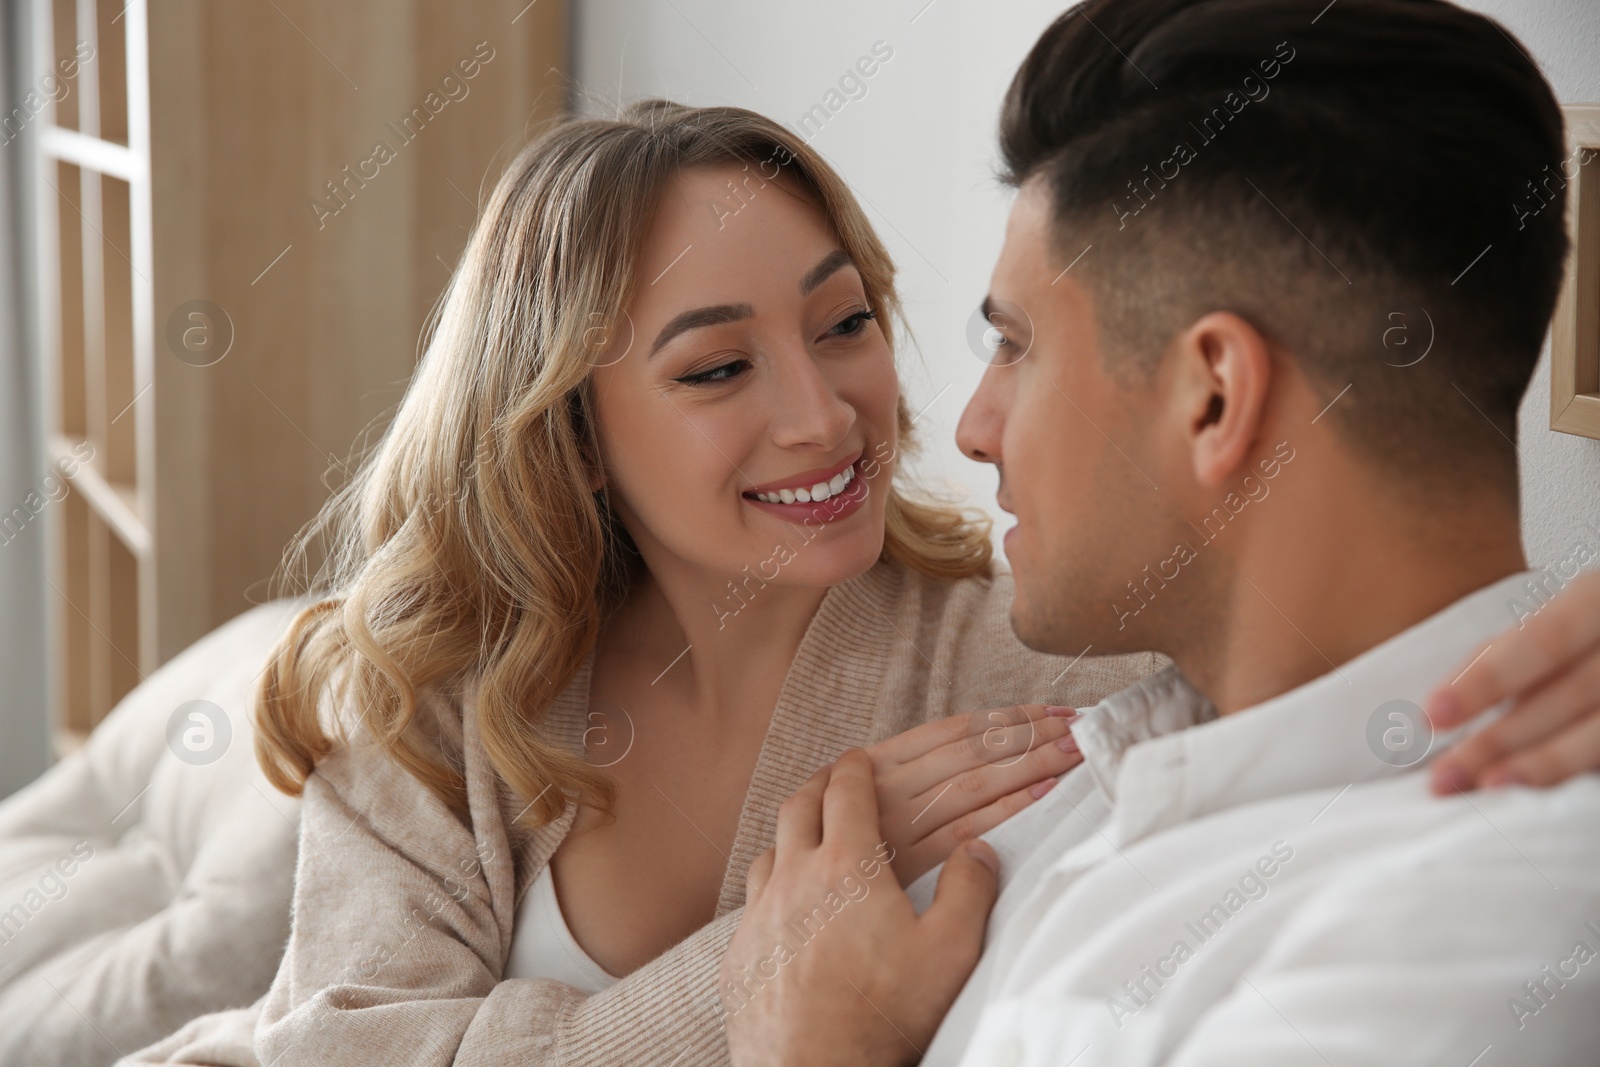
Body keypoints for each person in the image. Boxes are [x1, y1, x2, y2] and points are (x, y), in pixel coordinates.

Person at [127, 74, 1600, 1067]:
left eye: (846, 324)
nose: (827, 414)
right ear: (569, 427)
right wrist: (745, 968)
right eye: (718, 366)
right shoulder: (438, 691)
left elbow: (1361, 688)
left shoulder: (1039, 677)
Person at [719, 1, 1600, 1065]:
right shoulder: (1090, 778)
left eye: (1017, 347)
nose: (971, 426)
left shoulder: (1461, 935)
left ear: (1212, 398)